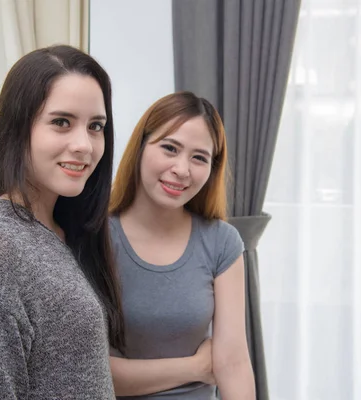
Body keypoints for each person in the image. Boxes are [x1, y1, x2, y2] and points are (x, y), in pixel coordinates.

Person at [0, 45, 124, 399]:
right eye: (61, 122)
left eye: (95, 126)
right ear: (17, 128)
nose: (84, 145)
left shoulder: (60, 231)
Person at [108, 91, 255, 399]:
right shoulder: (95, 237)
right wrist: (196, 367)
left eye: (199, 157)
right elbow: (94, 373)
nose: (182, 169)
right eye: (170, 148)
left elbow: (233, 363)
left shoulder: (222, 242)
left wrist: (214, 367)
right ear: (140, 147)